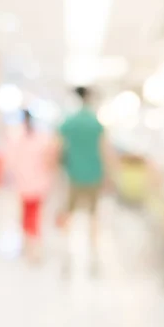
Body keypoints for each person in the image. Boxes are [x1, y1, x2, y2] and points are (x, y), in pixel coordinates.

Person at [58, 86, 114, 276]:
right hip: (94, 175)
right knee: (93, 216)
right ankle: (94, 255)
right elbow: (105, 149)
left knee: (69, 214)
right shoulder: (95, 123)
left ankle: (67, 252)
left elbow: (58, 147)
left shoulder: (70, 122)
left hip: (73, 175)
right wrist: (109, 175)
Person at [4, 109, 56, 264]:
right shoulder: (22, 138)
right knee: (30, 215)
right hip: (30, 183)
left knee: (31, 215)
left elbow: (48, 158)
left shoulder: (32, 138)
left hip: (33, 183)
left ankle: (31, 245)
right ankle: (30, 244)